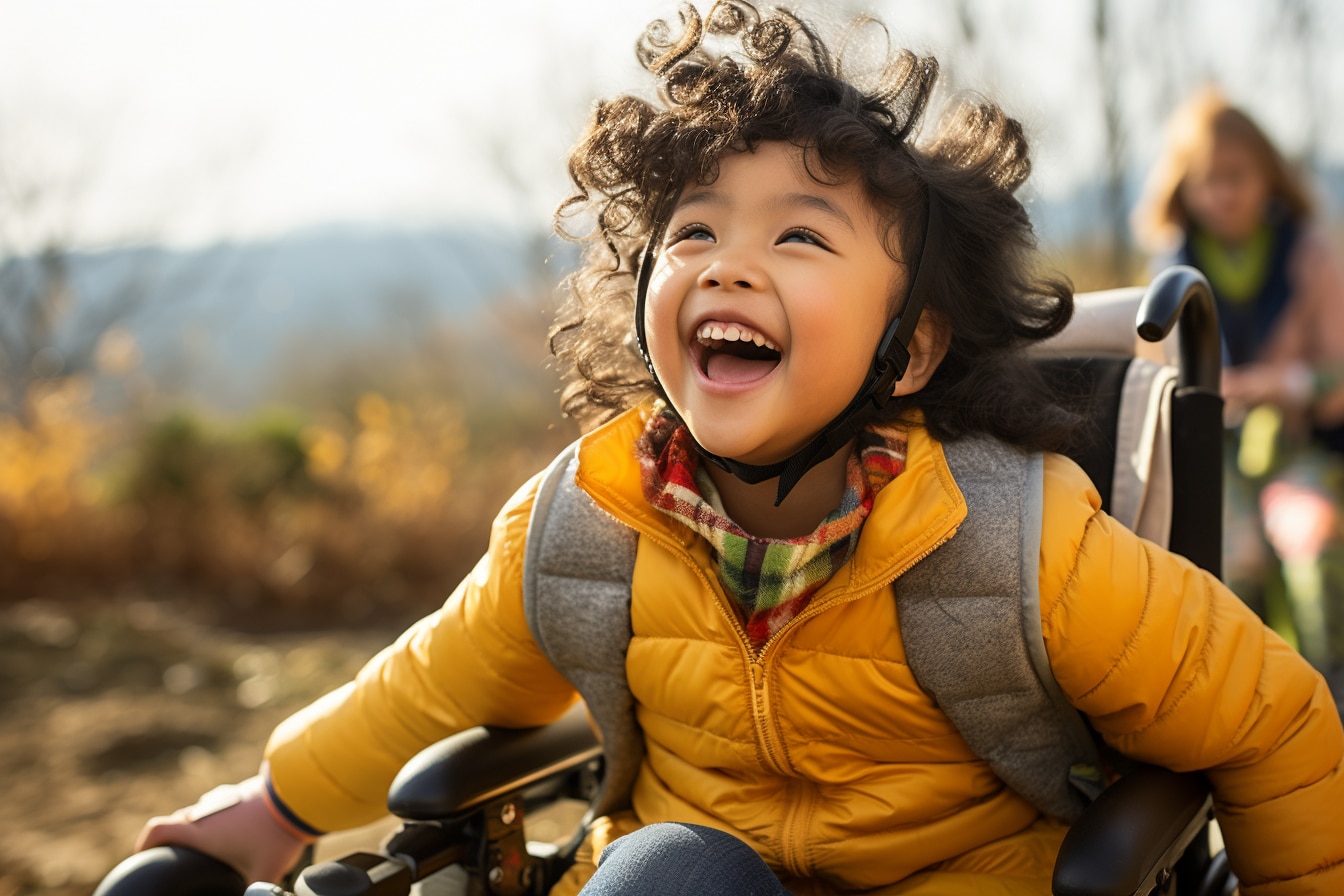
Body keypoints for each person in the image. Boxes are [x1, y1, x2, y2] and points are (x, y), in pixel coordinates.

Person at [135, 4, 1344, 894]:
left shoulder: (1019, 539)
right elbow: (433, 681)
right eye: (693, 229)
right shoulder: (588, 524)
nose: (725, 260)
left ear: (909, 350)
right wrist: (275, 803)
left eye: (801, 237)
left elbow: (1277, 720)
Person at [1133, 87, 1344, 684]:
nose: (1223, 194)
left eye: (1237, 176)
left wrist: (1280, 385)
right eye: (1207, 180)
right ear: (1183, 188)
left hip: (1299, 449)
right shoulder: (1169, 267)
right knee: (1226, 556)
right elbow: (1152, 379)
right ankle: (1254, 701)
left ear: (1269, 177)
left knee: (1314, 537)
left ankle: (1331, 690)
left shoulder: (1309, 256)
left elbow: (1339, 375)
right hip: (1211, 457)